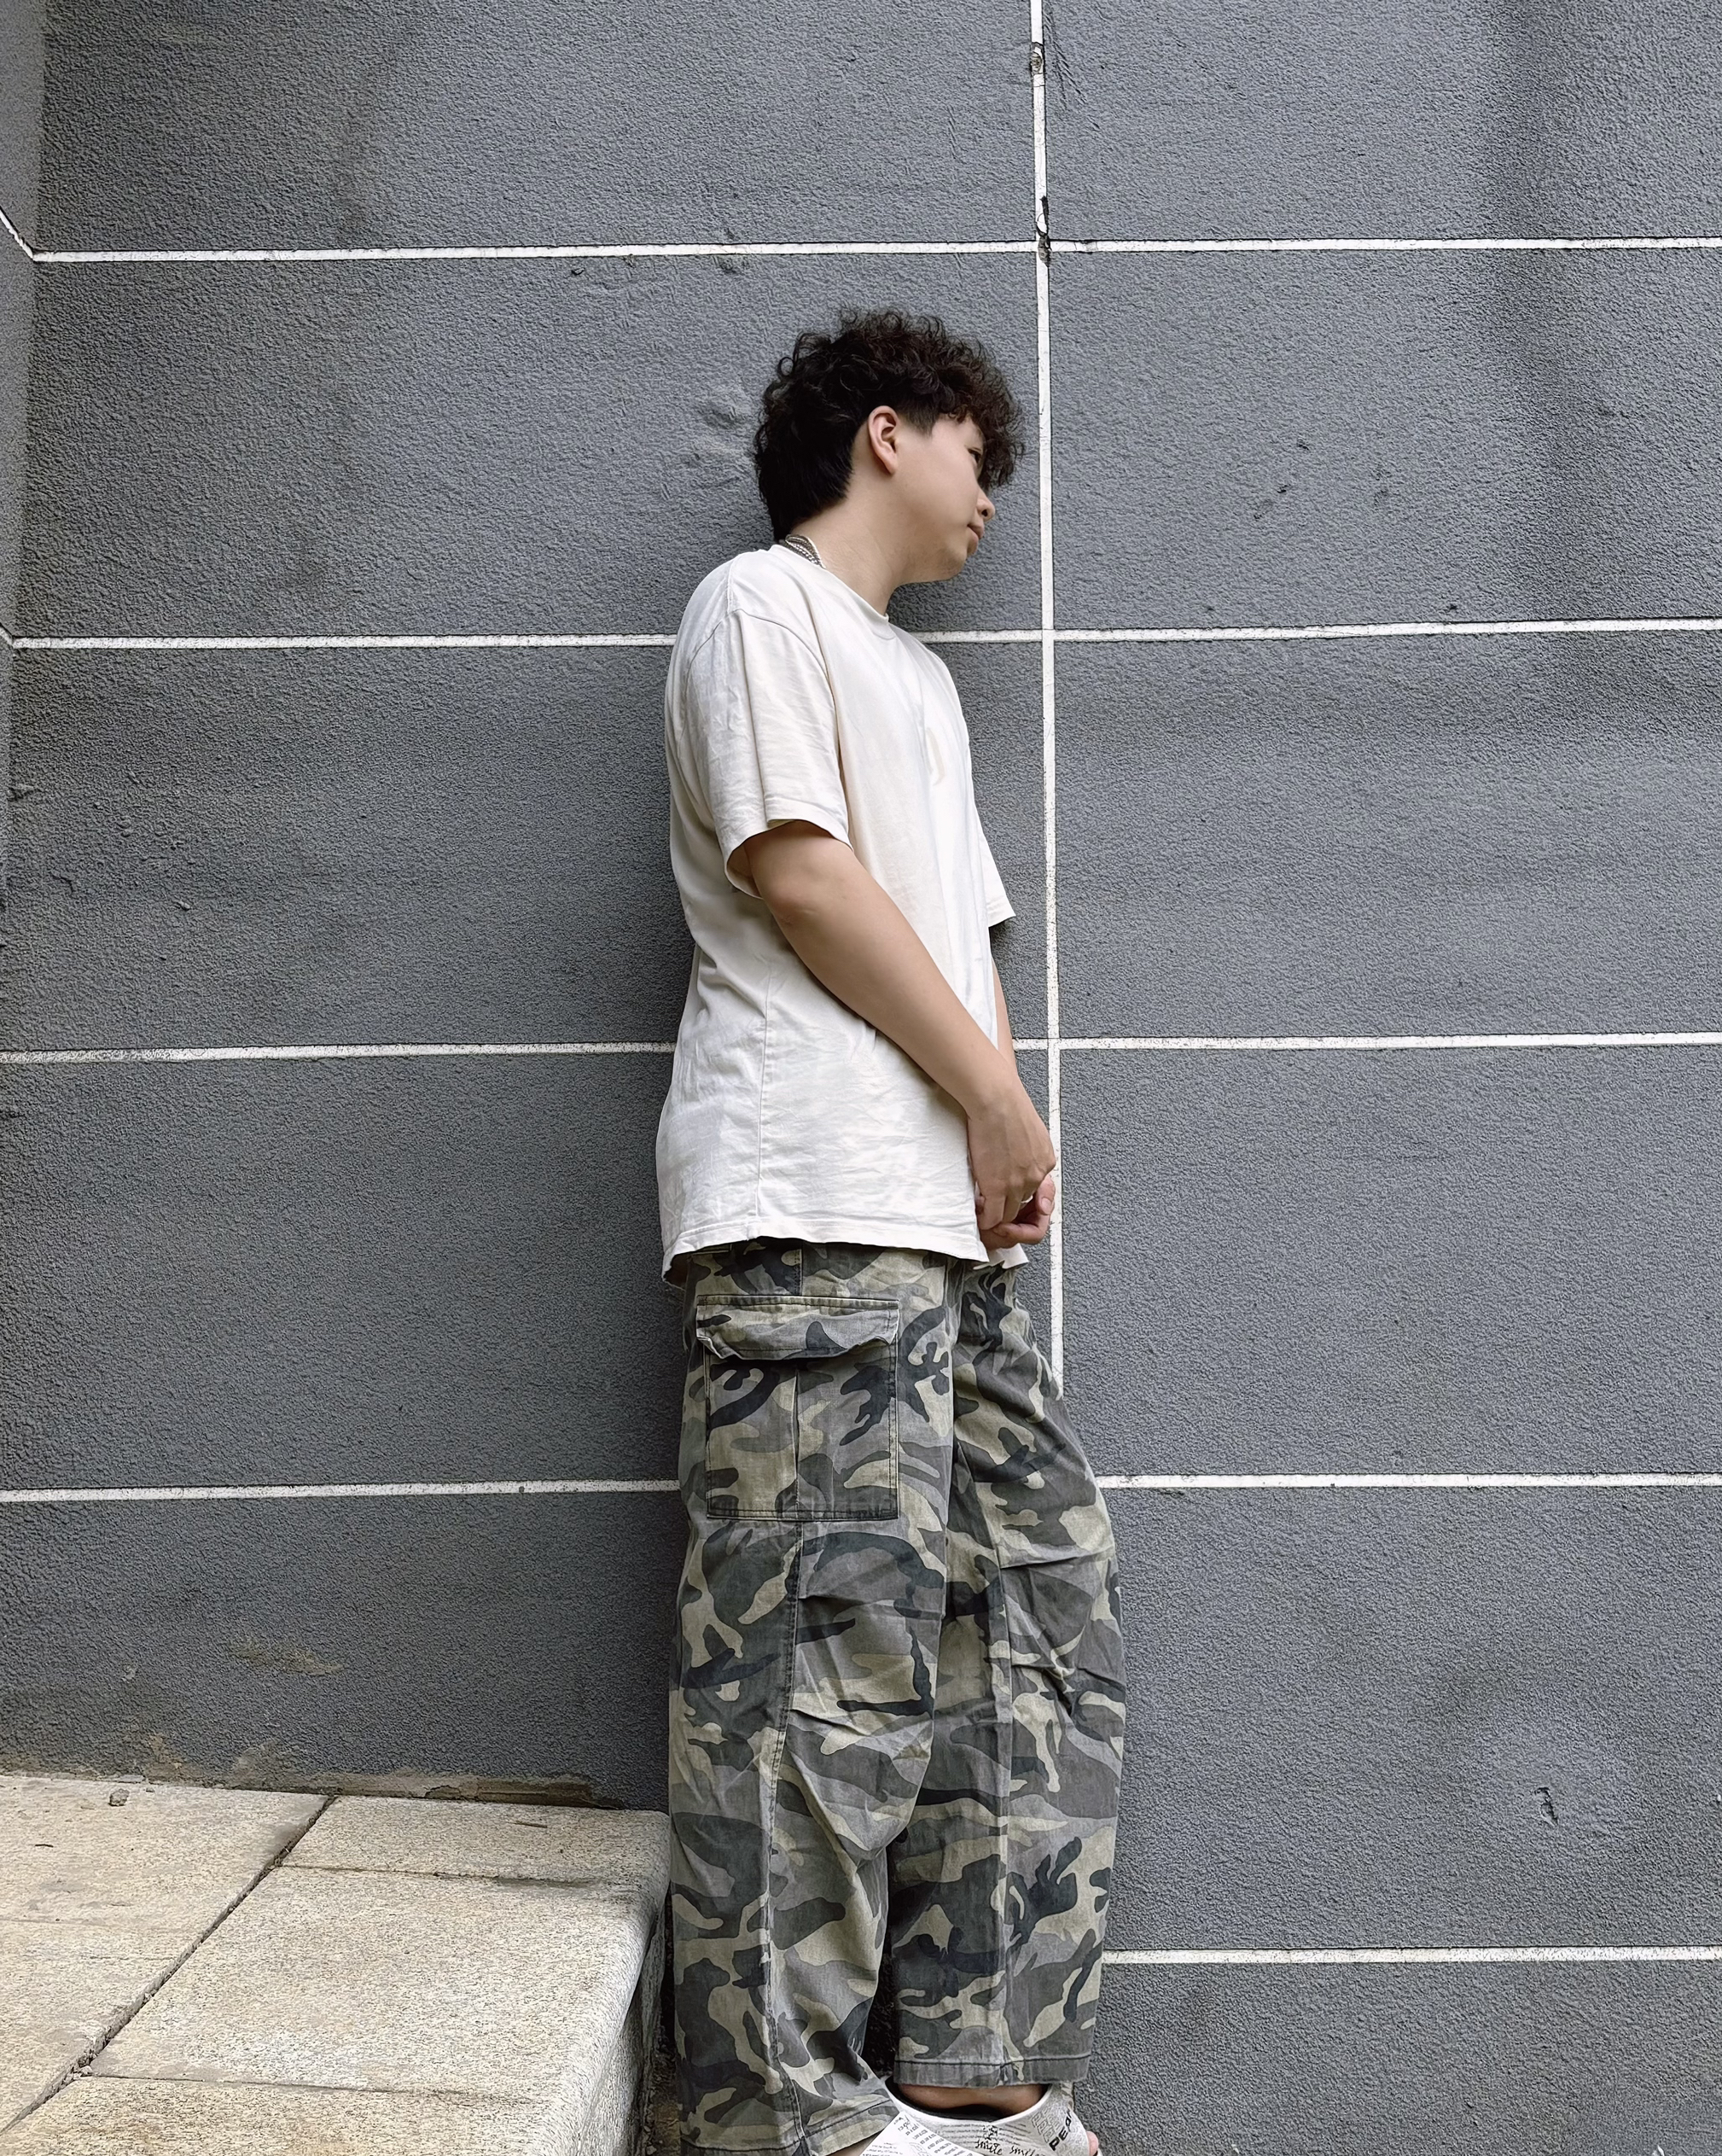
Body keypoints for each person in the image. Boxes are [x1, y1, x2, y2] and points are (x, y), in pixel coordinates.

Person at [656, 309, 1126, 2156]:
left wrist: (999, 1144)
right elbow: (801, 872)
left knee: (1031, 1602)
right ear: (885, 433)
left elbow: (957, 934)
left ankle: (972, 2070)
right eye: (976, 455)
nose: (989, 496)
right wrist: (992, 1100)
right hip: (807, 1206)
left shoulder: (916, 682)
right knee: (808, 1668)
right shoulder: (757, 610)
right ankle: (777, 2120)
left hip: (939, 1232)